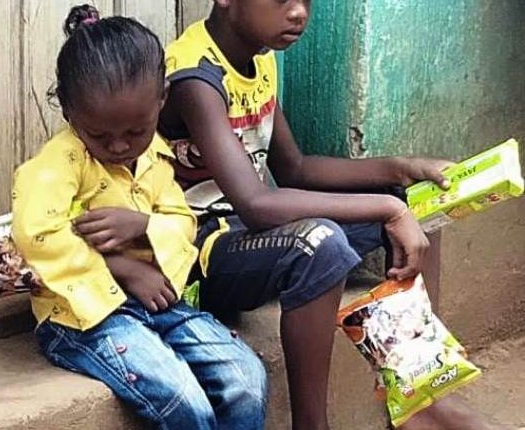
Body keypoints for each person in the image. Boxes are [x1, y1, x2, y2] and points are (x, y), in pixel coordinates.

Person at [140, 1, 492, 429]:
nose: (299, 13)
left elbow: (295, 168)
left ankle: (420, 396)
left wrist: (402, 170)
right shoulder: (195, 77)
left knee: (416, 204)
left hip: (250, 231)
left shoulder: (257, 58)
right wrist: (387, 208)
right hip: (200, 247)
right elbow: (256, 203)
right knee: (320, 242)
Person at [12, 5, 267, 429]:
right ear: (69, 112)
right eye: (99, 135)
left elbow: (181, 218)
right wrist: (124, 267)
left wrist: (144, 226)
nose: (119, 147)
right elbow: (36, 233)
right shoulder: (58, 164)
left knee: (246, 379)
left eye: (135, 132)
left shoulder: (154, 156)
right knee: (183, 398)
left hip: (156, 304)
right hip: (84, 318)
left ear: (162, 101)